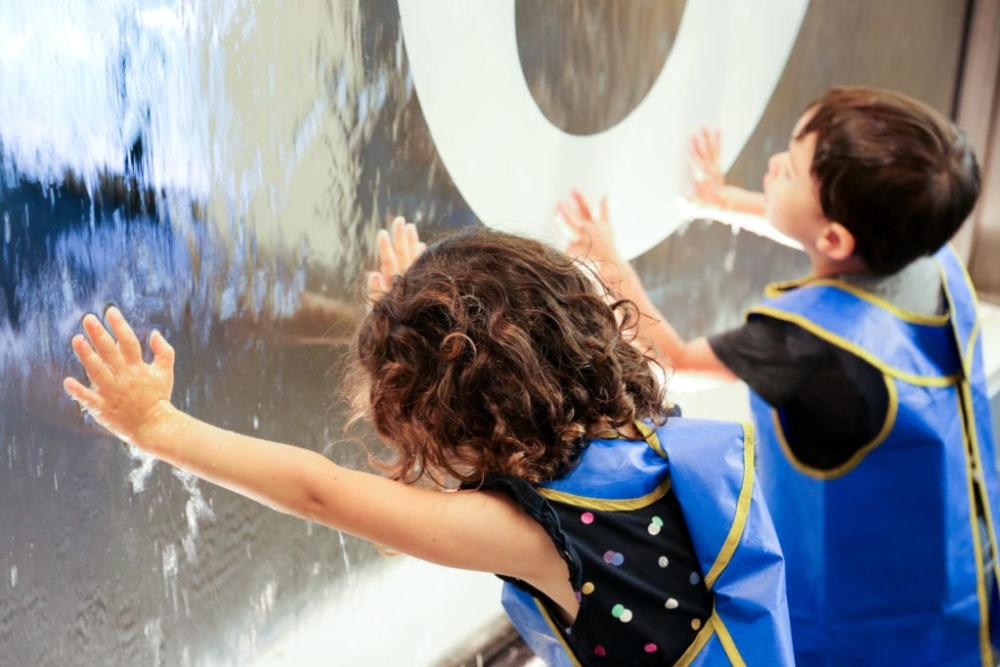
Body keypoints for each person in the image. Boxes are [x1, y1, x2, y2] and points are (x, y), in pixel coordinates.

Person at [63, 220, 792, 665]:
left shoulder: (538, 537)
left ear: (439, 415)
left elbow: (320, 491)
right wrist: (421, 312)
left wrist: (158, 426)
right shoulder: (637, 429)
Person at [558, 85, 999, 666]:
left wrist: (606, 261)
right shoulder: (926, 255)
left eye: (788, 169)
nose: (772, 164)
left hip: (862, 616)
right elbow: (831, 237)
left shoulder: (805, 344)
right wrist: (723, 199)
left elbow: (674, 358)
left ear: (838, 237)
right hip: (960, 571)